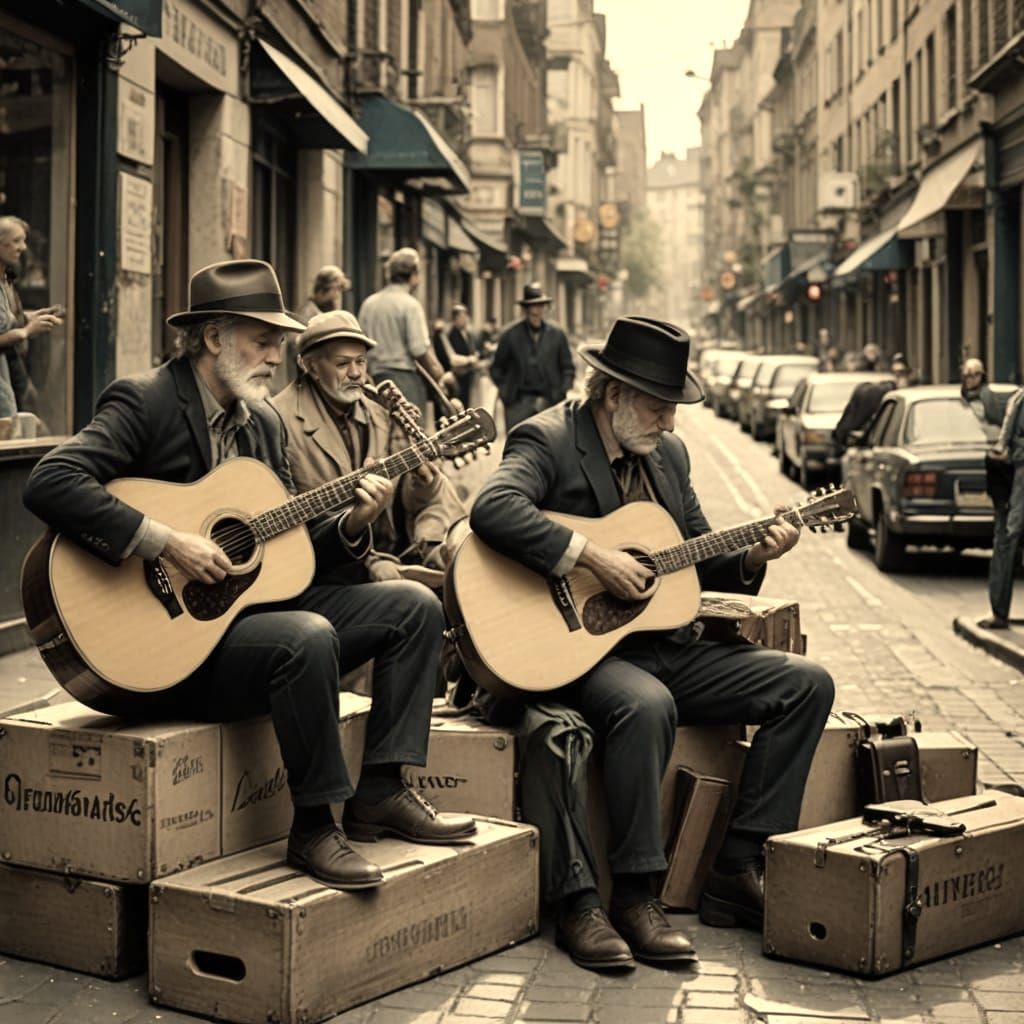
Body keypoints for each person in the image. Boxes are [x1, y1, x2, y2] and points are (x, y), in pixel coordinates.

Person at [23, 259, 476, 891]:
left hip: (239, 624)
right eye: (264, 341)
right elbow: (51, 481)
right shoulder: (147, 400)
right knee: (307, 636)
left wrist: (353, 521)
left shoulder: (262, 423)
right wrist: (165, 541)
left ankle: (380, 790)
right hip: (160, 650)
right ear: (214, 337)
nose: (276, 357)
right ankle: (314, 826)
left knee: (413, 607)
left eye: (280, 343)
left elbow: (289, 543)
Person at [468, 316, 834, 971]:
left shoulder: (670, 457)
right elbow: (493, 508)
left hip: (662, 644)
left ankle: (737, 866)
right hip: (578, 651)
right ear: (614, 394)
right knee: (645, 703)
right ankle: (637, 894)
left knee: (806, 685)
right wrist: (592, 557)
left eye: (673, 408)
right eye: (660, 407)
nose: (670, 422)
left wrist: (754, 553)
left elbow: (697, 554)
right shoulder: (549, 438)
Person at [271, 309, 466, 587]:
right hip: (326, 572)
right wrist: (371, 560)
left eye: (361, 361)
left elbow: (405, 507)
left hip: (389, 556)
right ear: (310, 366)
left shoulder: (379, 413)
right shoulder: (277, 420)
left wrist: (422, 481)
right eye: (342, 364)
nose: (356, 373)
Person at [358, 248, 456, 418]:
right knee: (409, 428)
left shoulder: (369, 304)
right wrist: (439, 374)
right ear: (413, 275)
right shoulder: (410, 305)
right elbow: (419, 349)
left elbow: (360, 344)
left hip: (374, 380)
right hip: (403, 381)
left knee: (379, 427)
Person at [0, 215, 63, 418]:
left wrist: (30, 316)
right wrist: (27, 331)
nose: (23, 247)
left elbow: (6, 318)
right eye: (16, 241)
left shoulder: (5, 279)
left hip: (12, 366)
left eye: (23, 240)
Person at [491, 283, 575, 429]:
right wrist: (507, 394)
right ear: (526, 309)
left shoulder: (557, 334)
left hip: (549, 403)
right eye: (533, 307)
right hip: (518, 404)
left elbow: (568, 368)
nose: (538, 311)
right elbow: (496, 368)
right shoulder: (510, 335)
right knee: (518, 441)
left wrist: (560, 393)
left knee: (549, 441)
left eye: (541, 306)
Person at [981, 383, 1024, 630]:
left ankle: (999, 612)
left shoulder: (1017, 400)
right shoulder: (1016, 399)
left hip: (1016, 480)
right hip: (1014, 478)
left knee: (1006, 539)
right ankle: (999, 610)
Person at [833, 353, 912, 450]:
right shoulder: (877, 397)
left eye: (903, 373)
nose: (901, 377)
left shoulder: (904, 399)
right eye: (897, 373)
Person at [436, 304, 480, 409]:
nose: (466, 320)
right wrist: (470, 359)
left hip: (465, 377)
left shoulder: (467, 333)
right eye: (463, 317)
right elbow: (452, 359)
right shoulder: (448, 333)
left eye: (466, 316)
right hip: (452, 377)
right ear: (455, 318)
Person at [960, 358, 1005, 428]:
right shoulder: (963, 394)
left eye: (971, 376)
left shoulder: (986, 395)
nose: (968, 380)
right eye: (966, 376)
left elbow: (992, 419)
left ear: (980, 376)